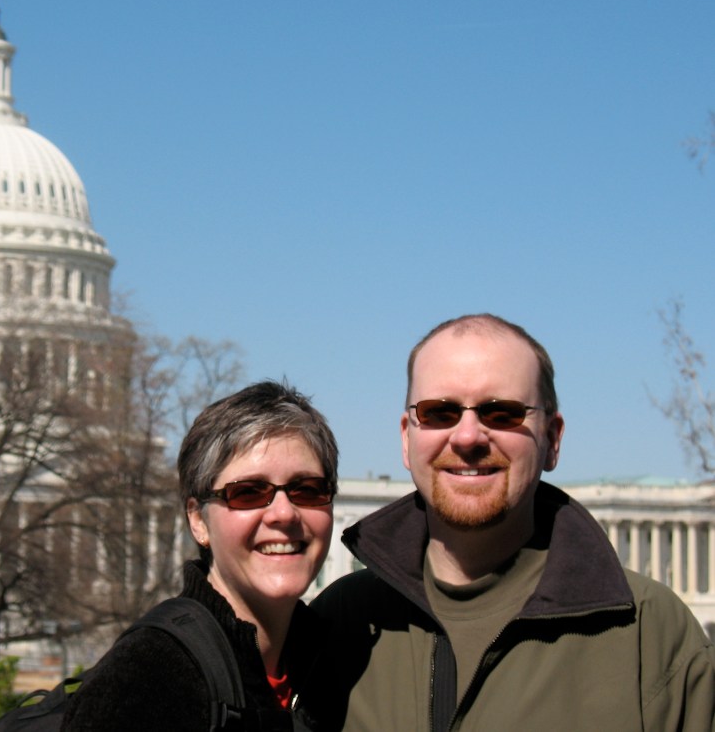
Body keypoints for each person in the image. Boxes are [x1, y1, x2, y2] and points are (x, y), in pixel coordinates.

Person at [312, 313, 715, 731]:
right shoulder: (337, 623)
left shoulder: (650, 634)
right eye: (439, 412)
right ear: (406, 437)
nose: (468, 437)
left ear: (552, 440)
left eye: (502, 413)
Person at [63, 380, 340, 731]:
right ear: (198, 521)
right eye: (249, 492)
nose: (283, 514)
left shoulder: (337, 667)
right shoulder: (148, 679)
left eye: (307, 489)